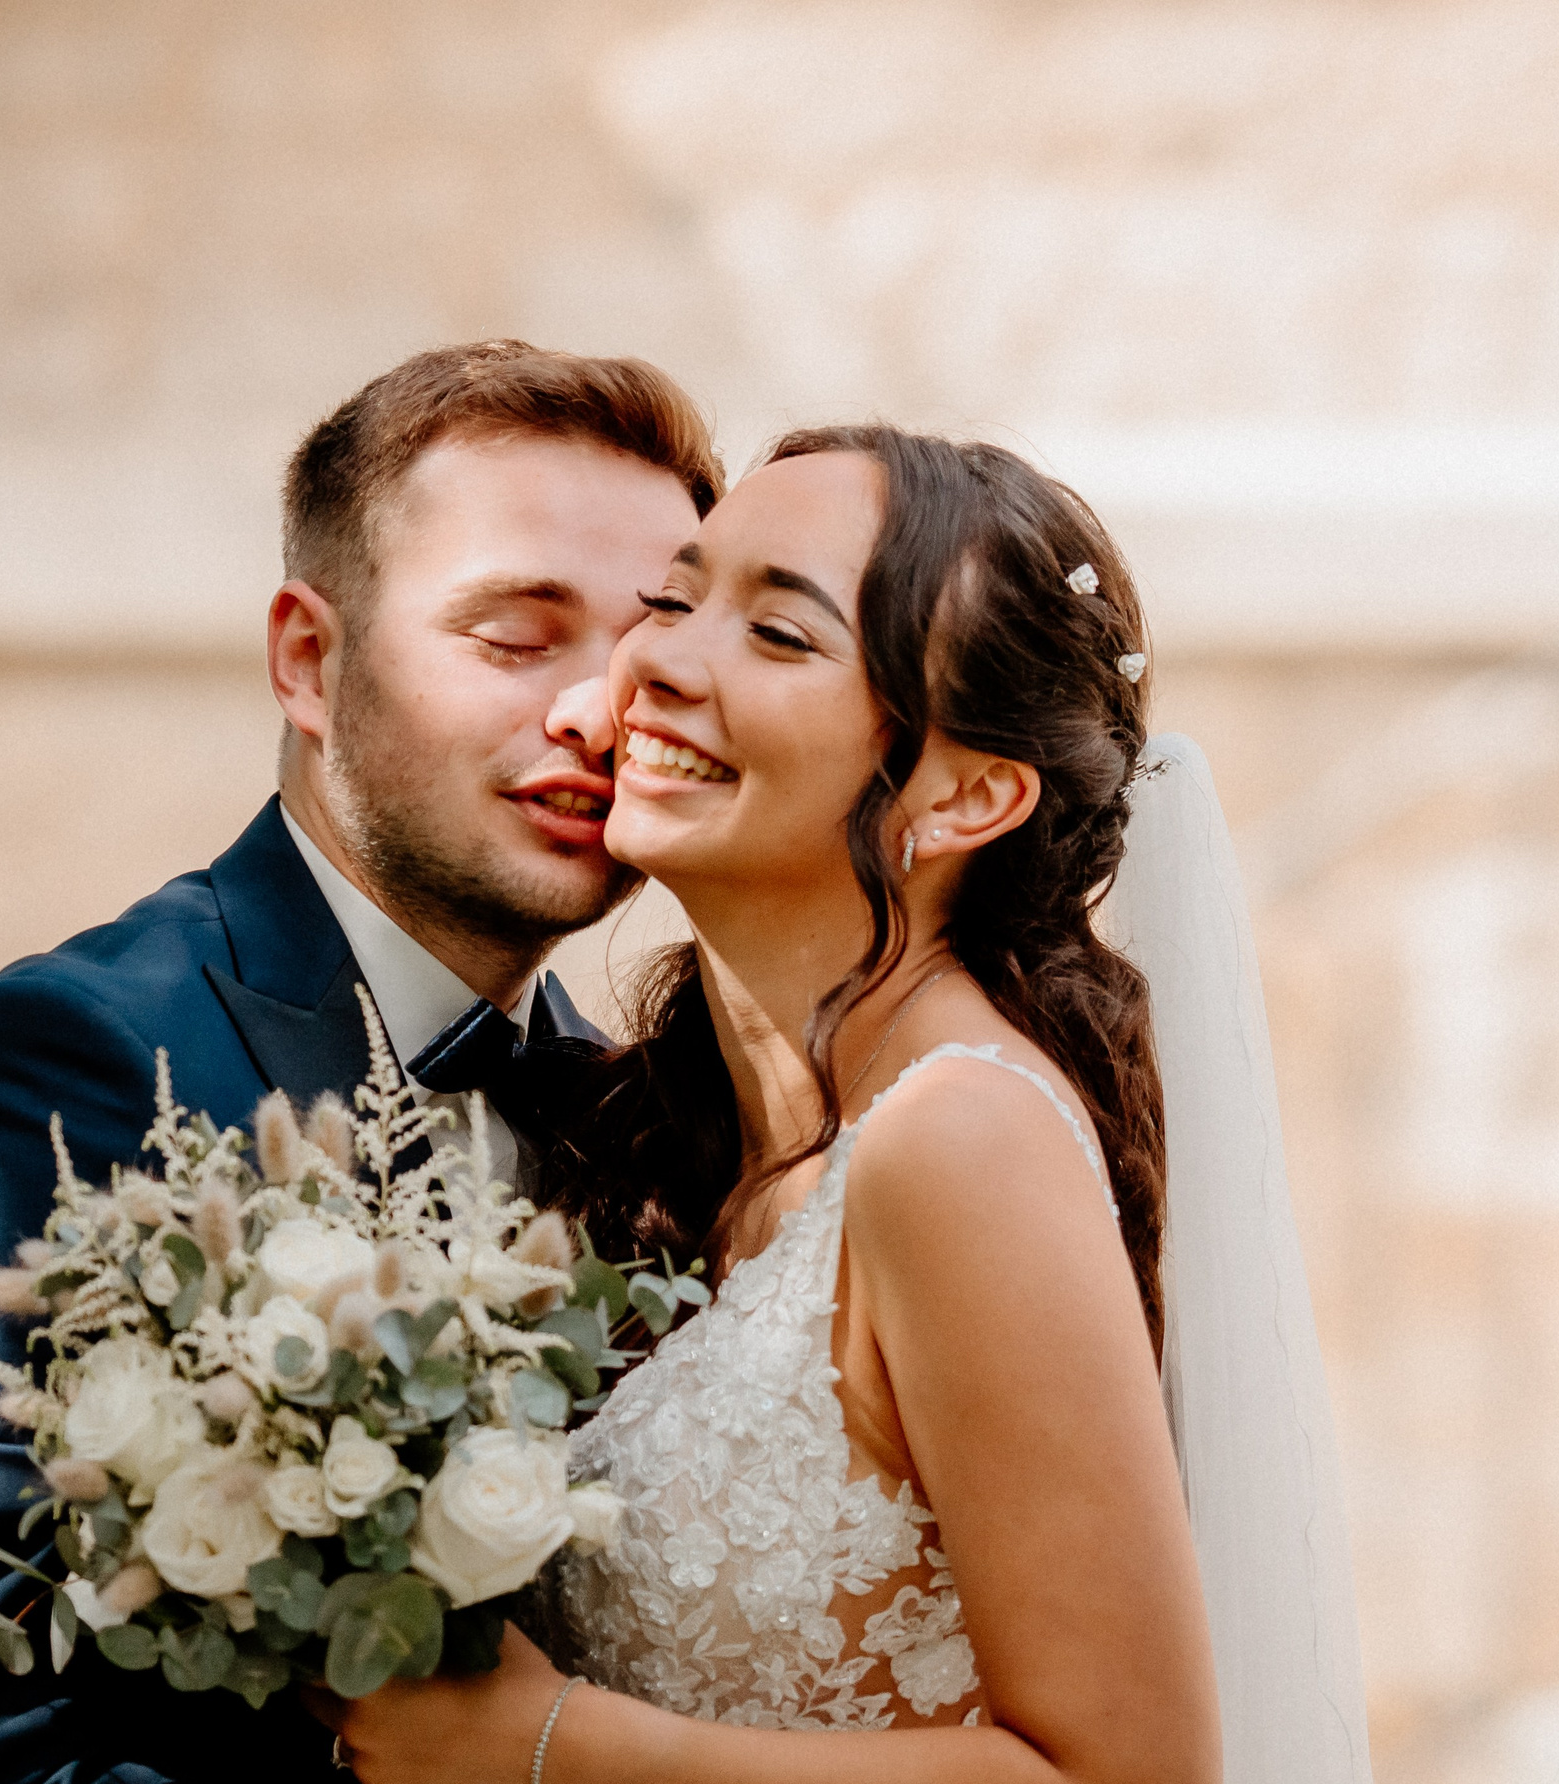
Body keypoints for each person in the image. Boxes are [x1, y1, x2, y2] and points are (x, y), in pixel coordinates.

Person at [0, 340, 722, 1784]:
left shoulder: (655, 1115)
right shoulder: (54, 1068)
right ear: (310, 659)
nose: (597, 711)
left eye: (646, 644)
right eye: (511, 635)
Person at [317, 426, 1237, 1783]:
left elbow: (1127, 1771)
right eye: (680, 601)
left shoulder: (957, 1141)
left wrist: (545, 1747)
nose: (659, 662)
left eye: (781, 635)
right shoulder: (687, 1144)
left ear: (970, 792)